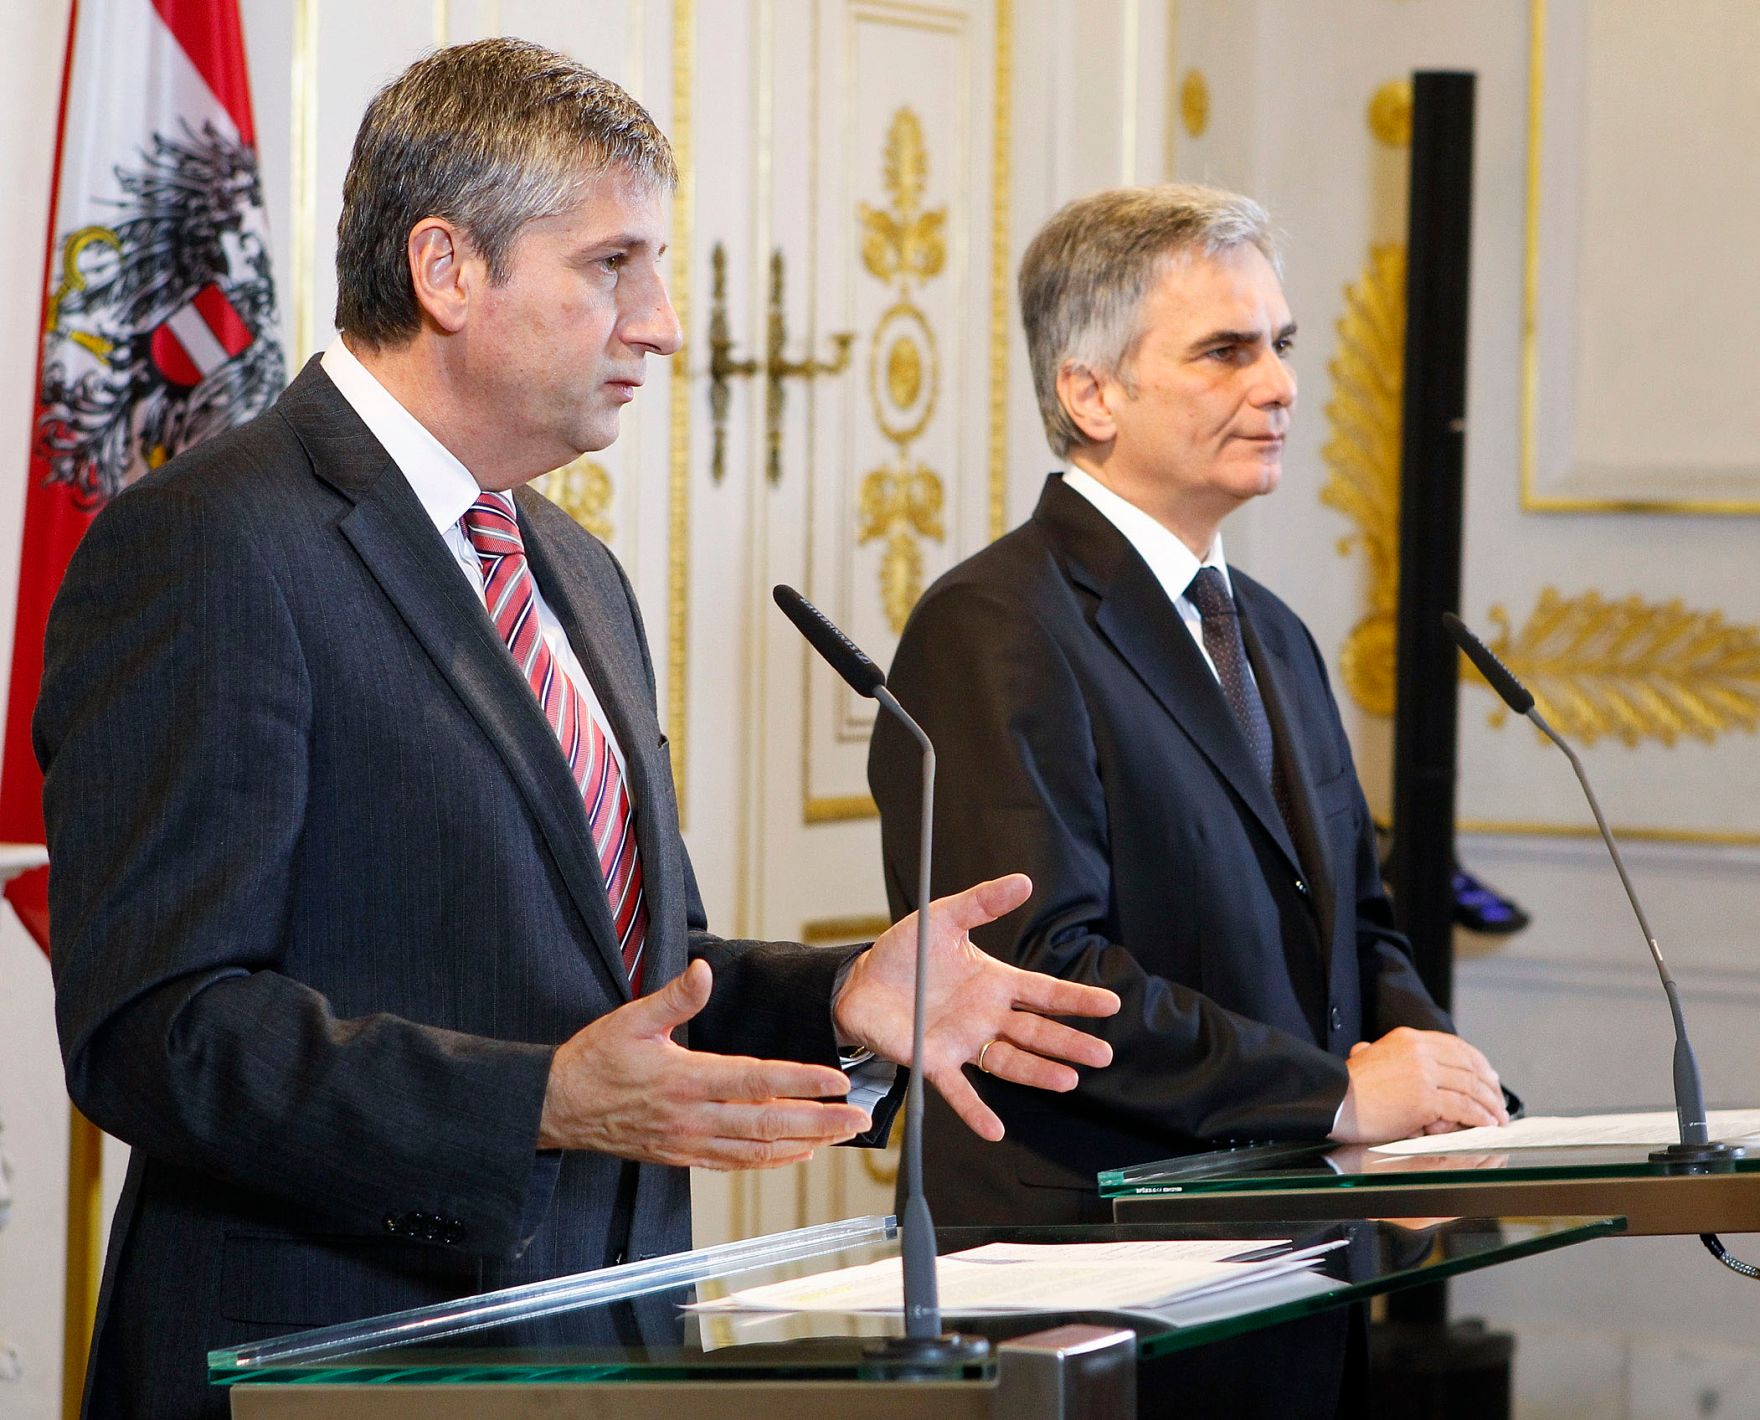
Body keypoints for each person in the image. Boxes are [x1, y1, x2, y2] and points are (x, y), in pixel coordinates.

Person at [37, 41, 1118, 1420]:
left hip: (604, 1351)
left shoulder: (574, 568)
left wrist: (836, 996)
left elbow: (635, 980)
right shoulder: (210, 546)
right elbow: (157, 1029)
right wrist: (534, 1103)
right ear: (447, 271)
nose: (661, 322)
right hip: (333, 1362)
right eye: (613, 266)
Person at [869, 183, 1510, 1231]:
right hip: (1099, 1246)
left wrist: (1440, 1101)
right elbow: (1038, 972)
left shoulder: (1270, 629)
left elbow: (1358, 920)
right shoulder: (992, 625)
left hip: (1301, 1227)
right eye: (1224, 352)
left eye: (1280, 344)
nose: (1278, 386)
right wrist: (1336, 1098)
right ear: (1090, 394)